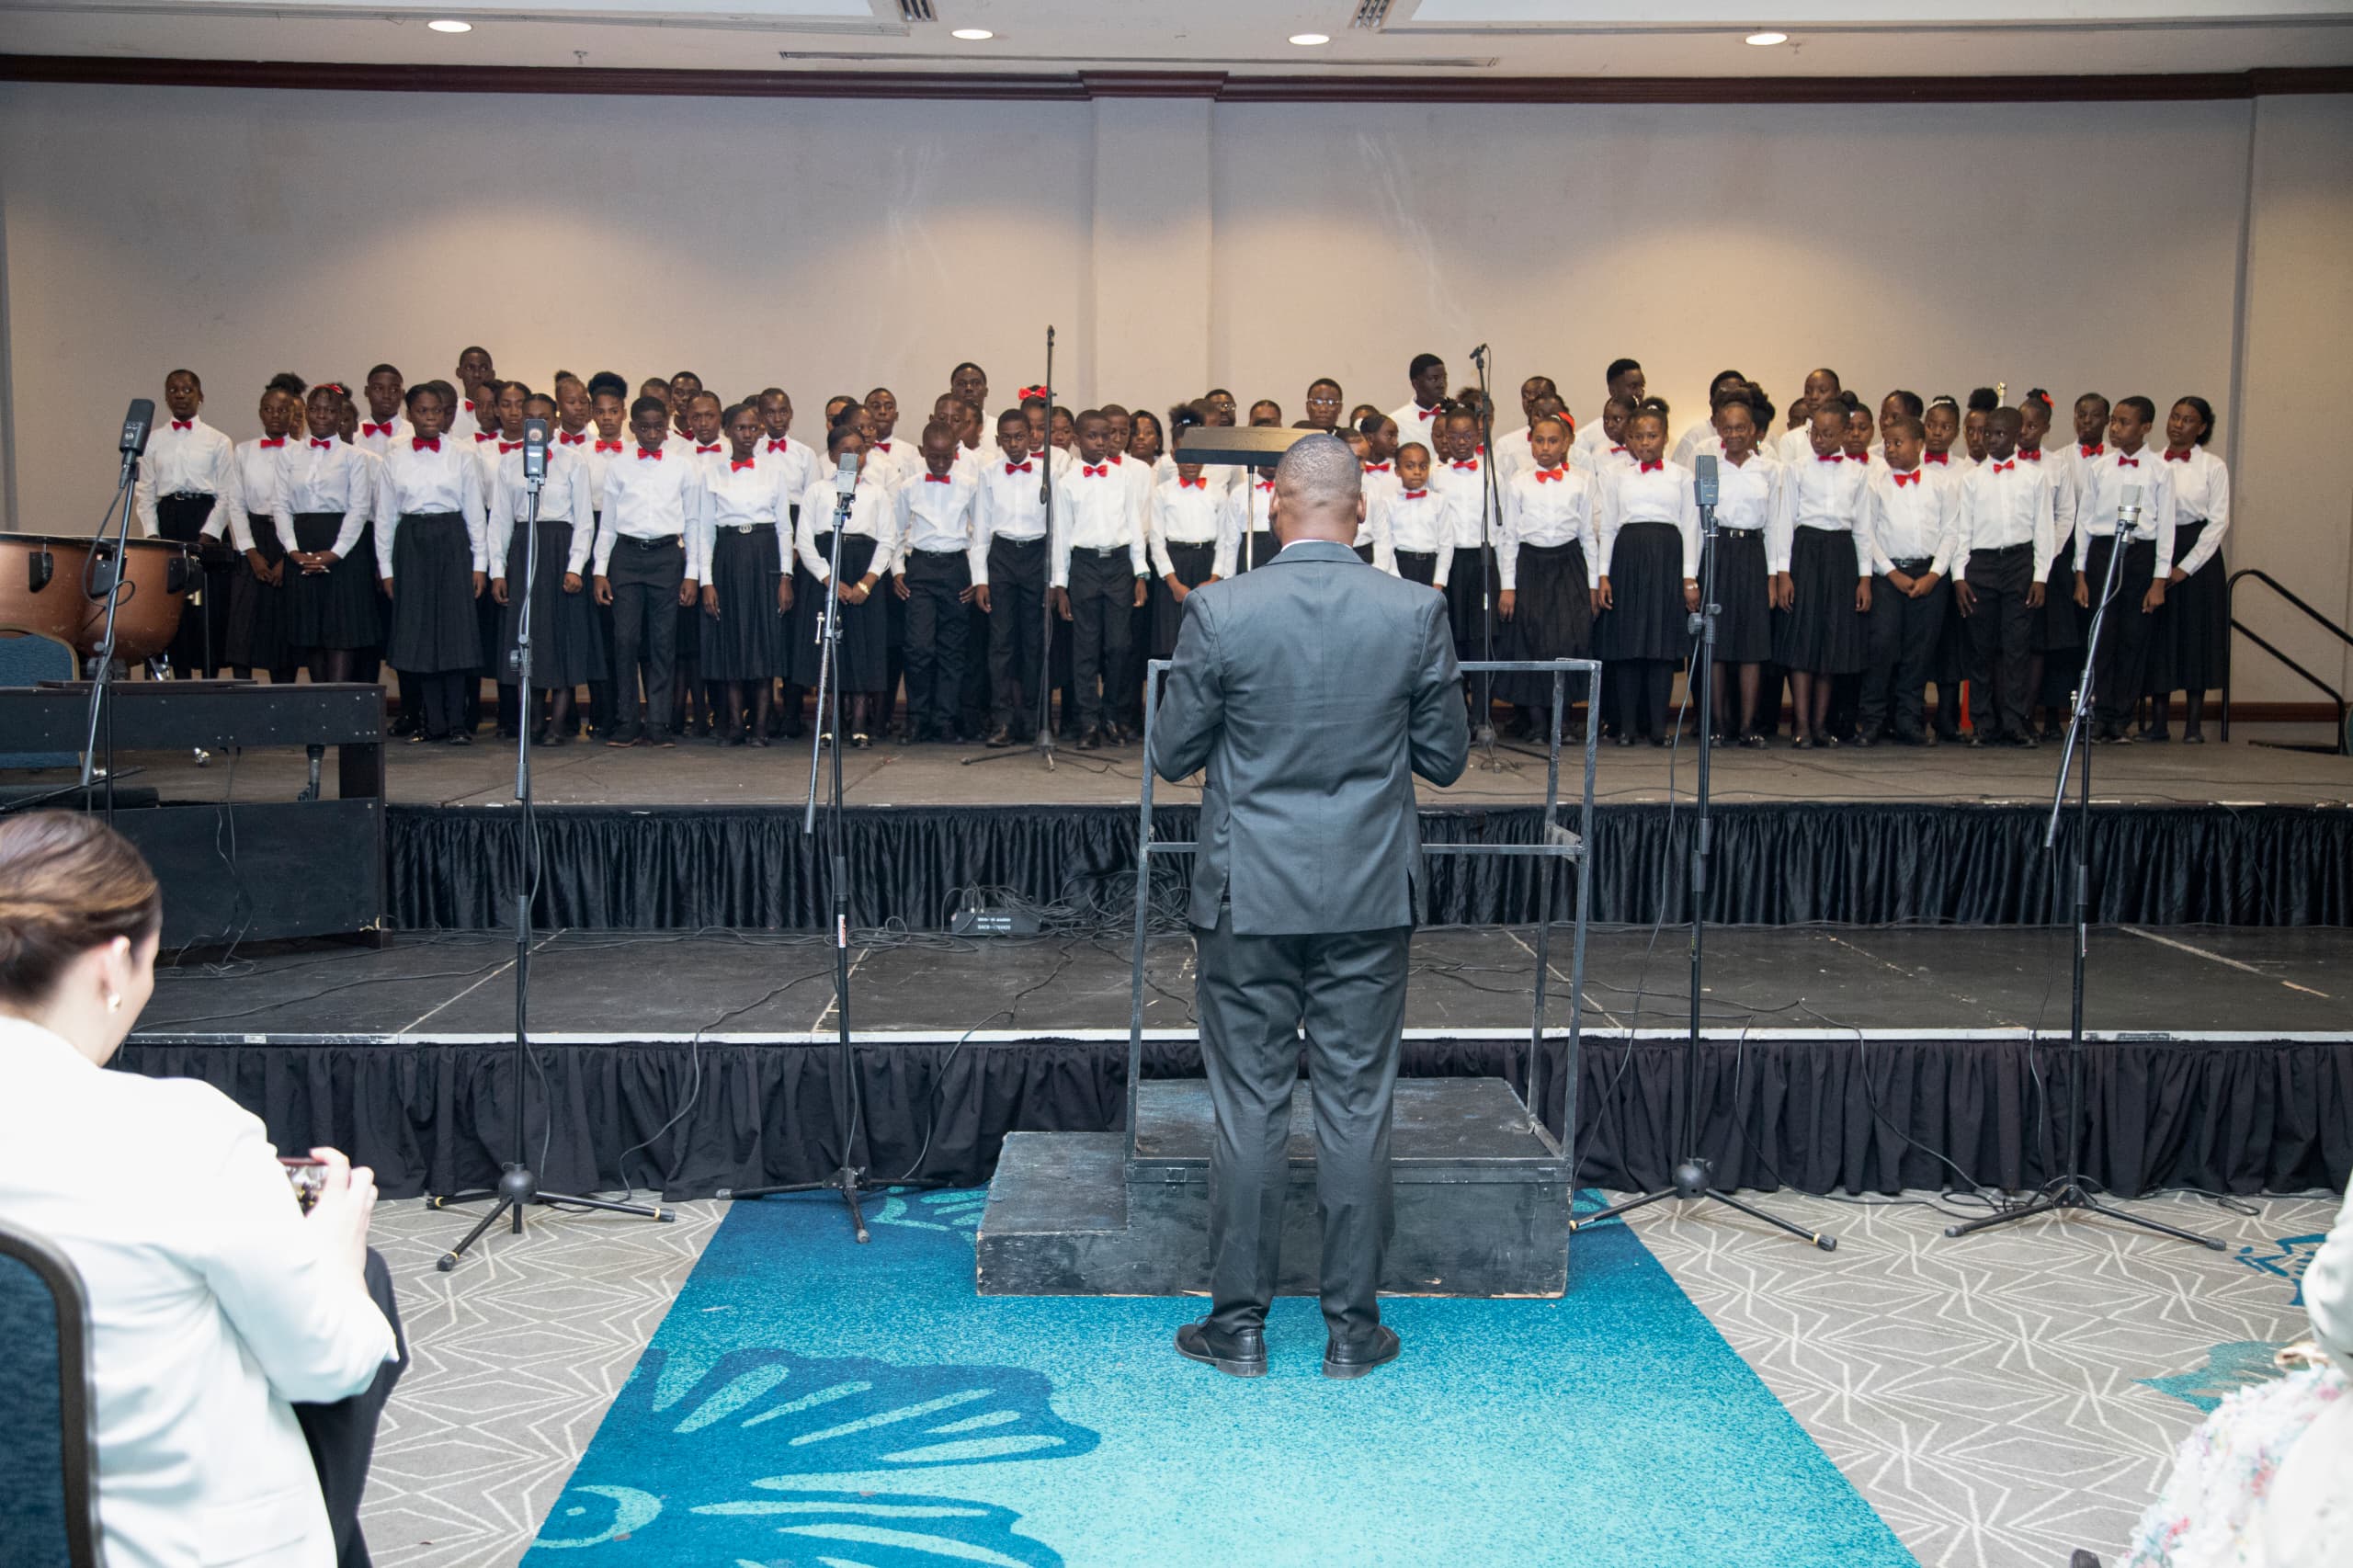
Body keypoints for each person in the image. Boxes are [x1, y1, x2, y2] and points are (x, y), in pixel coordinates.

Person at [0, 812, 403, 1568]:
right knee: (354, 1293)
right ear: (113, 966)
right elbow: (328, 1365)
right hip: (166, 1549)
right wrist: (337, 1258)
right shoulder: (184, 1133)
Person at [1149, 434, 1469, 1381]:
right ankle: (1350, 1331)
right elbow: (1446, 757)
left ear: (1275, 506)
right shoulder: (1416, 609)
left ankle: (1238, 1327)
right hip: (1369, 894)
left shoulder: (1219, 608)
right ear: (1360, 509)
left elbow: (1172, 752)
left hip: (1248, 893)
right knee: (1356, 1107)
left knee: (1247, 1107)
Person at [489, 392, 603, 747]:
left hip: (559, 549)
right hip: (525, 549)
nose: (535, 425)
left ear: (554, 422)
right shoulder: (508, 465)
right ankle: (534, 721)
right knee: (530, 635)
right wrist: (497, 570)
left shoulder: (572, 462)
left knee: (562, 638)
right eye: (529, 419)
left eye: (542, 418)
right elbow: (501, 522)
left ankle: (559, 723)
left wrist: (575, 566)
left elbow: (584, 520)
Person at [375, 383, 487, 744]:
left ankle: (457, 723)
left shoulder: (461, 455)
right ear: (410, 415)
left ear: (445, 414)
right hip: (411, 543)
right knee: (420, 634)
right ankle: (431, 721)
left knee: (454, 635)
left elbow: (474, 513)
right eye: (422, 411)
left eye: (435, 411)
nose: (429, 418)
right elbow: (385, 518)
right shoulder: (394, 458)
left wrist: (479, 564)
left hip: (453, 541)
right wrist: (387, 569)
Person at [594, 394, 707, 748]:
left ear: (668, 425)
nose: (652, 433)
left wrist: (693, 574)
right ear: (632, 428)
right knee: (625, 640)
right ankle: (627, 720)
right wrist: (600, 570)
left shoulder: (682, 466)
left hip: (667, 557)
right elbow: (608, 524)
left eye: (659, 426)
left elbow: (693, 522)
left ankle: (658, 721)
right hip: (625, 556)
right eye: (644, 427)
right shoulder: (619, 466)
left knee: (663, 642)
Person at [2072, 395, 2176, 743]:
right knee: (2102, 637)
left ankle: (2120, 717)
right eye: (2113, 421)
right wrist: (2081, 573)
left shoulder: (2161, 471)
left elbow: (2166, 529)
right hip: (2103, 552)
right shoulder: (2099, 467)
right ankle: (2097, 714)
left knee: (2134, 638)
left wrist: (2159, 580)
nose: (2114, 428)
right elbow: (2084, 521)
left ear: (2145, 428)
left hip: (2139, 554)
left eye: (2124, 422)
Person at [1595, 405, 1699, 744]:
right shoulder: (1616, 477)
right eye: (1638, 436)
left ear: (1665, 438)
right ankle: (1626, 727)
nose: (1645, 442)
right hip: (1627, 558)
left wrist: (1689, 578)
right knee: (1627, 647)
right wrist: (1603, 575)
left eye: (1652, 435)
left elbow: (1690, 528)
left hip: (1668, 559)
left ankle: (1658, 727)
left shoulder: (1682, 476)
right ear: (1629, 440)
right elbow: (1608, 527)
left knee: (1661, 647)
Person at [1769, 402, 1871, 748]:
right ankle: (1800, 724)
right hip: (1806, 551)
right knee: (1803, 641)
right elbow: (1785, 522)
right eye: (1815, 433)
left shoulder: (1857, 473)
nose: (1820, 440)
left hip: (1841, 554)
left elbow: (1863, 529)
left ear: (1844, 434)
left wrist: (1865, 578)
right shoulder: (1796, 470)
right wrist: (1784, 572)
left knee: (1831, 643)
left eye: (1829, 434)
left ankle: (1820, 724)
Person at [1855, 414, 1959, 746]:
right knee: (1882, 646)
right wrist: (1891, 572)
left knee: (1920, 650)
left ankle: (1909, 719)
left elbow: (1951, 531)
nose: (1891, 449)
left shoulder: (1942, 484)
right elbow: (1866, 533)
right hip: (1889, 575)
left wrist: (1935, 573)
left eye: (1898, 443)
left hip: (1929, 575)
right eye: (1887, 443)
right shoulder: (1875, 483)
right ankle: (1872, 720)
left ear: (1919, 444)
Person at [1494, 413, 1597, 741]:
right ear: (1530, 443)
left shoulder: (1581, 480)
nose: (1546, 447)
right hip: (1530, 564)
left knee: (1567, 642)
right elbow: (1508, 536)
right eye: (1539, 440)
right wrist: (1507, 586)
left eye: (1553, 440)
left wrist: (1593, 584)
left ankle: (1562, 722)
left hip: (1568, 563)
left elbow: (1588, 536)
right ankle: (1538, 723)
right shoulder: (1518, 483)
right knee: (1532, 642)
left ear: (1567, 442)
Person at [134, 368, 243, 677]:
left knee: (210, 606)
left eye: (187, 390)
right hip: (170, 522)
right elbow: (146, 492)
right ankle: (178, 677)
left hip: (206, 520)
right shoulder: (153, 440)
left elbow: (226, 493)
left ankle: (210, 677)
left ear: (200, 396)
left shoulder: (218, 440)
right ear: (166, 396)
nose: (180, 395)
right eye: (173, 390)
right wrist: (153, 535)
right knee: (174, 606)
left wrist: (207, 535)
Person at [1954, 407, 2052, 748]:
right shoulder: (1971, 479)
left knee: (2016, 646)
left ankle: (2015, 720)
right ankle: (1983, 723)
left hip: (2019, 562)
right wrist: (1958, 576)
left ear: (2016, 436)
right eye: (1986, 434)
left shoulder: (2034, 477)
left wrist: (2040, 576)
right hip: (1979, 565)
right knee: (1979, 648)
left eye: (1999, 435)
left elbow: (2044, 530)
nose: (1990, 440)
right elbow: (1961, 529)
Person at [795, 421, 897, 746]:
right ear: (832, 455)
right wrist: (829, 579)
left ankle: (859, 724)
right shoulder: (817, 491)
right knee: (829, 648)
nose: (854, 456)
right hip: (827, 572)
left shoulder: (876, 492)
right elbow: (805, 541)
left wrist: (867, 582)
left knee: (862, 648)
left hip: (863, 571)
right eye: (846, 451)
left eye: (859, 450)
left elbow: (887, 540)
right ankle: (829, 724)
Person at [1050, 410, 1147, 749]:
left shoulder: (1123, 477)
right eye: (1093, 436)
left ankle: (1112, 716)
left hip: (1119, 564)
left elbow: (1134, 525)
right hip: (1085, 566)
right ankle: (1088, 722)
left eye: (1106, 436)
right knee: (1085, 649)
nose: (1101, 442)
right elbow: (1061, 535)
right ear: (1077, 440)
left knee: (1119, 646)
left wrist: (1140, 572)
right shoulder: (1067, 483)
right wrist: (1060, 584)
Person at [278, 384, 381, 686]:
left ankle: (339, 707)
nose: (322, 415)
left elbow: (360, 507)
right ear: (307, 412)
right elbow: (280, 505)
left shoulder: (355, 457)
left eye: (330, 410)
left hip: (344, 549)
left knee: (341, 631)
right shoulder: (288, 455)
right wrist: (292, 550)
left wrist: (336, 552)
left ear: (340, 416)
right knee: (312, 631)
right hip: (302, 546)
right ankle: (320, 706)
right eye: (316, 409)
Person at [2143, 396, 2231, 744]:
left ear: (2202, 428)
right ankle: (2158, 722)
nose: (2178, 424)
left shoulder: (2213, 466)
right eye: (2175, 416)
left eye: (2188, 420)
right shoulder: (2150, 462)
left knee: (2196, 636)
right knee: (2159, 636)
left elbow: (2218, 521)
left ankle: (2194, 725)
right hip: (2156, 548)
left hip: (2198, 555)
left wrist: (2184, 568)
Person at [892, 419, 981, 744]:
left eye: (947, 457)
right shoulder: (909, 486)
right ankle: (917, 718)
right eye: (934, 458)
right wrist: (897, 570)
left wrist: (978, 576)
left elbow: (980, 534)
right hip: (922, 569)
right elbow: (896, 532)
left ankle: (945, 719)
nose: (941, 464)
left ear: (957, 452)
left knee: (953, 649)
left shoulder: (970, 485)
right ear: (922, 452)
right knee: (918, 648)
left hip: (957, 567)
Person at [975, 407, 1052, 748]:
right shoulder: (989, 473)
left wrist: (1055, 578)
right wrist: (981, 578)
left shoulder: (1047, 474)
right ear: (997, 440)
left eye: (1019, 436)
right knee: (1001, 644)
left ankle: (1035, 721)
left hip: (1037, 555)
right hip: (1003, 555)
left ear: (1032, 437)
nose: (1014, 443)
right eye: (1006, 438)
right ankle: (1002, 720)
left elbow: (1058, 528)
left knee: (1035, 643)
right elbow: (980, 530)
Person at [1706, 396, 1780, 746]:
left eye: (1741, 428)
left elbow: (1778, 524)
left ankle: (1749, 725)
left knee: (1752, 646)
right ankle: (1718, 724)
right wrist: (1692, 576)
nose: (1734, 434)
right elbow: (1696, 523)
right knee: (1716, 644)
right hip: (1718, 552)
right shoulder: (1708, 466)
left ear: (1753, 431)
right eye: (1727, 428)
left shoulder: (1770, 470)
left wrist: (1775, 575)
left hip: (1754, 553)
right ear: (1718, 430)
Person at [224, 381, 301, 683]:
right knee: (244, 622)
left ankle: (284, 695)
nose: (275, 416)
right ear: (260, 413)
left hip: (289, 539)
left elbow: (302, 507)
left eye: (283, 410)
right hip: (253, 538)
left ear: (293, 414)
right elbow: (235, 503)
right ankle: (243, 695)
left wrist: (288, 557)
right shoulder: (243, 452)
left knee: (282, 624)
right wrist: (250, 552)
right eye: (269, 409)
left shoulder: (302, 453)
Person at [1147, 449, 1230, 663]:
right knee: (1171, 641)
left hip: (1206, 564)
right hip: (1173, 568)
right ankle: (1168, 695)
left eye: (1197, 455)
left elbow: (1224, 539)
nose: (1192, 463)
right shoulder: (1162, 492)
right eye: (1186, 455)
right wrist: (1173, 583)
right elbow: (1156, 541)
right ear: (1174, 455)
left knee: (1207, 640)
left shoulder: (1218, 493)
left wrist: (1215, 578)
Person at [1390, 352, 1449, 442]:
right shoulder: (1396, 421)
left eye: (1444, 378)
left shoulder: (1455, 414)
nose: (1442, 384)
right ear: (1416, 384)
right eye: (1434, 379)